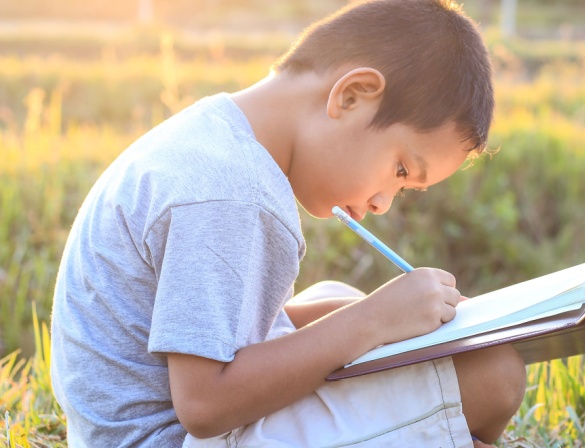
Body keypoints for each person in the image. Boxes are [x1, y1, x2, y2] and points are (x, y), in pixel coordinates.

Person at [49, 1, 527, 446]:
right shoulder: (231, 193)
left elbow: (222, 333)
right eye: (401, 171)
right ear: (352, 95)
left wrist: (380, 316)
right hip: (174, 437)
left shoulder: (218, 141)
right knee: (494, 374)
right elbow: (203, 403)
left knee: (331, 298)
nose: (384, 203)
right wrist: (372, 320)